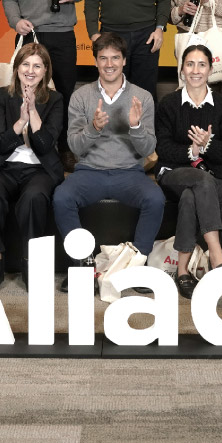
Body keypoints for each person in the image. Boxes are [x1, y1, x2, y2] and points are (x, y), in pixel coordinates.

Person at [53, 32, 164, 292]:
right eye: (103, 58)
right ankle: (83, 266)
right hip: (89, 171)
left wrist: (135, 126)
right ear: (95, 62)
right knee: (61, 198)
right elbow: (74, 146)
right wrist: (93, 128)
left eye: (115, 58)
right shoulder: (81, 96)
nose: (109, 64)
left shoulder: (142, 97)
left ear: (124, 60)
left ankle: (136, 266)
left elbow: (148, 148)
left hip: (129, 172)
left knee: (156, 199)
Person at [0, 42, 65, 290]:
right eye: (26, 64)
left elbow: (45, 145)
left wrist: (33, 112)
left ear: (46, 71)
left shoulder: (55, 99)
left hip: (40, 169)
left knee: (34, 197)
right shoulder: (1, 96)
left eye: (37, 66)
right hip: (5, 166)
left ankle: (30, 263)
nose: (30, 71)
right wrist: (20, 121)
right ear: (16, 68)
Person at [1, 0, 85, 167]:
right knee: (25, 94)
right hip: (30, 37)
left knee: (65, 93)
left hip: (62, 34)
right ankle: (25, 145)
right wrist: (16, 21)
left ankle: (65, 148)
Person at [155, 44, 222, 299]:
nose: (196, 70)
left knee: (192, 195)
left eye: (202, 65)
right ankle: (217, 256)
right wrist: (191, 151)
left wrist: (208, 144)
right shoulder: (169, 104)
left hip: (215, 178)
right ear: (182, 69)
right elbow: (163, 148)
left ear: (211, 69)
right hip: (175, 172)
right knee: (200, 179)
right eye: (190, 64)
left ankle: (182, 271)